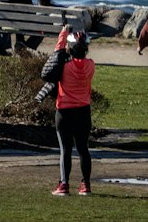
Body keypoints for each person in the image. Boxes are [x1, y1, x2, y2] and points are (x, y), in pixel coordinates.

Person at [37, 27, 95, 196]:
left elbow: (57, 53)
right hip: (83, 110)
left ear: (70, 48)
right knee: (83, 149)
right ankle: (86, 185)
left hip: (64, 111)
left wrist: (63, 33)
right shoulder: (91, 65)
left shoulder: (64, 67)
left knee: (66, 150)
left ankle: (64, 185)